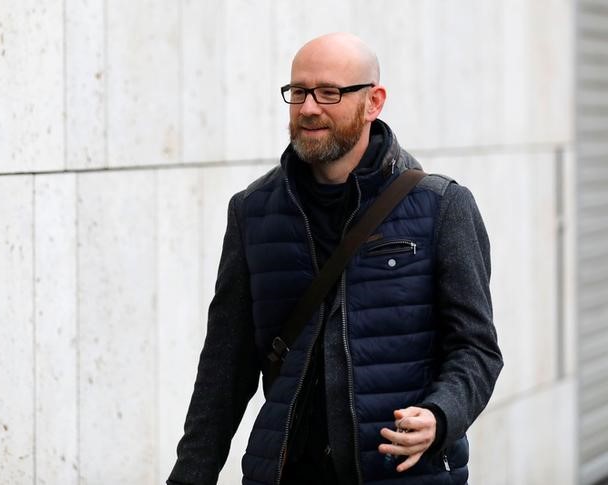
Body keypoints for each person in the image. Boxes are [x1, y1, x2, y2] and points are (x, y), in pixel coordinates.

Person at [168, 32, 503, 485]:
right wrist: (190, 475)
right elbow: (224, 370)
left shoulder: (442, 206)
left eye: (330, 93)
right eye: (299, 92)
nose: (309, 108)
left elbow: (476, 348)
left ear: (373, 102)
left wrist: (441, 416)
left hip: (402, 474)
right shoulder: (253, 211)